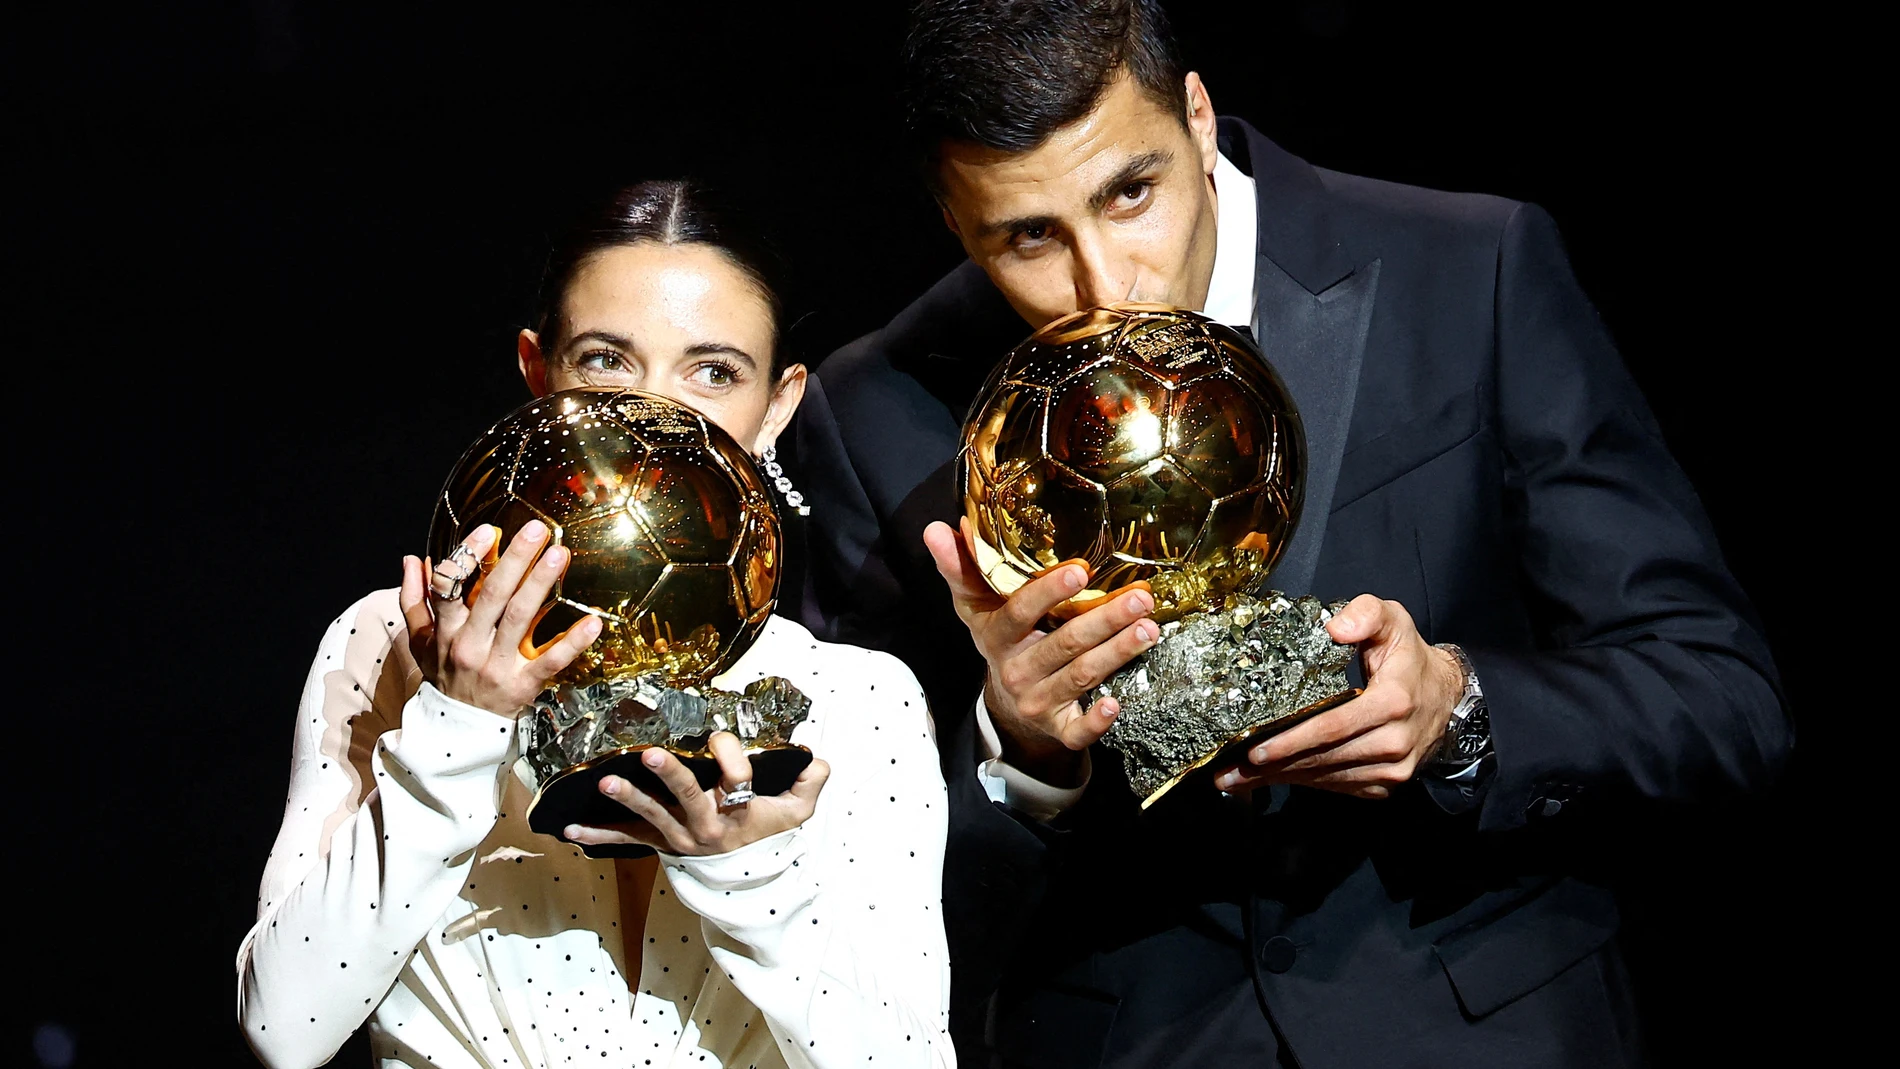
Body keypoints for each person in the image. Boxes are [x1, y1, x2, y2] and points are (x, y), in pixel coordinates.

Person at [787, 2, 1792, 1067]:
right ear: (954, 221)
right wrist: (1018, 750)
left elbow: (1720, 692)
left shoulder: (1470, 267)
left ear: (1198, 116)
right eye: (1029, 236)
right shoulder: (874, 411)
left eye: (1131, 194)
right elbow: (844, 902)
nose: (1104, 285)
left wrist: (1458, 708)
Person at [236, 180, 954, 1069]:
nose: (653, 415)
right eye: (608, 360)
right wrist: (457, 724)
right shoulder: (389, 643)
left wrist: (750, 877)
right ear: (539, 374)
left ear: (778, 406)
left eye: (714, 371)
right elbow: (284, 1028)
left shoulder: (859, 701)